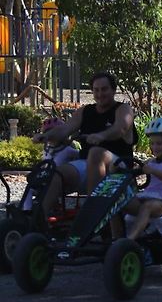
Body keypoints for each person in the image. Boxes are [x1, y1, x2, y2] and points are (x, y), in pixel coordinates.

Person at [32, 71, 137, 215]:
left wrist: (101, 136)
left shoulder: (123, 109)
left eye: (104, 89)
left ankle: (91, 214)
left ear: (113, 90)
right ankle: (38, 220)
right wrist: (45, 136)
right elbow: (64, 130)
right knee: (57, 173)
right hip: (88, 165)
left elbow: (121, 128)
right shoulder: (85, 111)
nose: (100, 94)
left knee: (96, 153)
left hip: (118, 168)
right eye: (96, 90)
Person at [111, 117, 162, 241]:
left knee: (147, 206)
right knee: (116, 201)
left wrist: (152, 170)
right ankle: (116, 239)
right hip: (146, 197)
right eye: (152, 143)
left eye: (159, 143)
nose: (155, 147)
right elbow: (138, 171)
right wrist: (122, 170)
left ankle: (129, 240)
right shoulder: (151, 161)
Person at [23, 117, 79, 210]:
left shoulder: (68, 150)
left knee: (46, 187)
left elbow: (79, 158)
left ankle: (41, 211)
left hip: (61, 182)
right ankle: (26, 211)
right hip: (46, 179)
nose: (50, 136)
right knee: (29, 188)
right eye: (47, 133)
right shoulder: (46, 150)